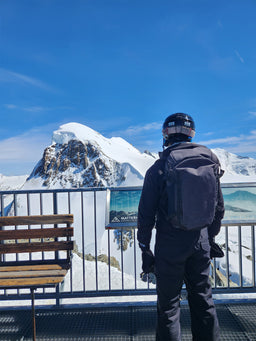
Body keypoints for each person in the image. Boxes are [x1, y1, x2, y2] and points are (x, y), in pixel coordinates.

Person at [137, 113, 225, 341]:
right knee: (203, 301)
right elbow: (218, 208)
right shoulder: (210, 162)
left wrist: (145, 248)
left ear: (166, 134)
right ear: (191, 134)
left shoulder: (159, 168)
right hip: (201, 241)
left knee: (168, 307)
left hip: (170, 245)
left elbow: (146, 214)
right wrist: (209, 238)